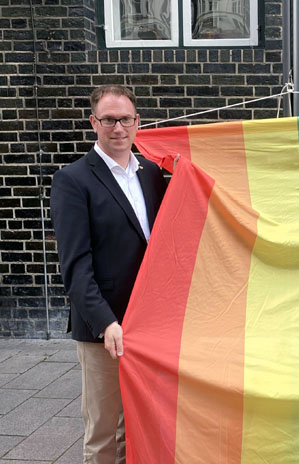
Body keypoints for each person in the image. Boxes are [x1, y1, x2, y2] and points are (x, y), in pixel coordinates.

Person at [50, 85, 167, 464]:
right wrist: (106, 323)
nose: (118, 128)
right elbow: (75, 266)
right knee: (103, 431)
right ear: (94, 123)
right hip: (106, 328)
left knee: (135, 424)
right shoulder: (73, 180)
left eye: (126, 119)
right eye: (109, 120)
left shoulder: (151, 173)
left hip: (150, 321)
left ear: (138, 122)